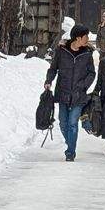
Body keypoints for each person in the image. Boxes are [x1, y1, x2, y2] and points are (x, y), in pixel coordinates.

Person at [43, 25, 97, 161]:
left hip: (79, 94)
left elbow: (92, 73)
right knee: (63, 123)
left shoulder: (87, 54)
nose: (88, 39)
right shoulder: (61, 51)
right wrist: (48, 80)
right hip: (63, 92)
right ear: (78, 37)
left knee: (73, 123)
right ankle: (70, 143)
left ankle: (70, 152)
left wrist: (84, 85)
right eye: (86, 36)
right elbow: (53, 69)